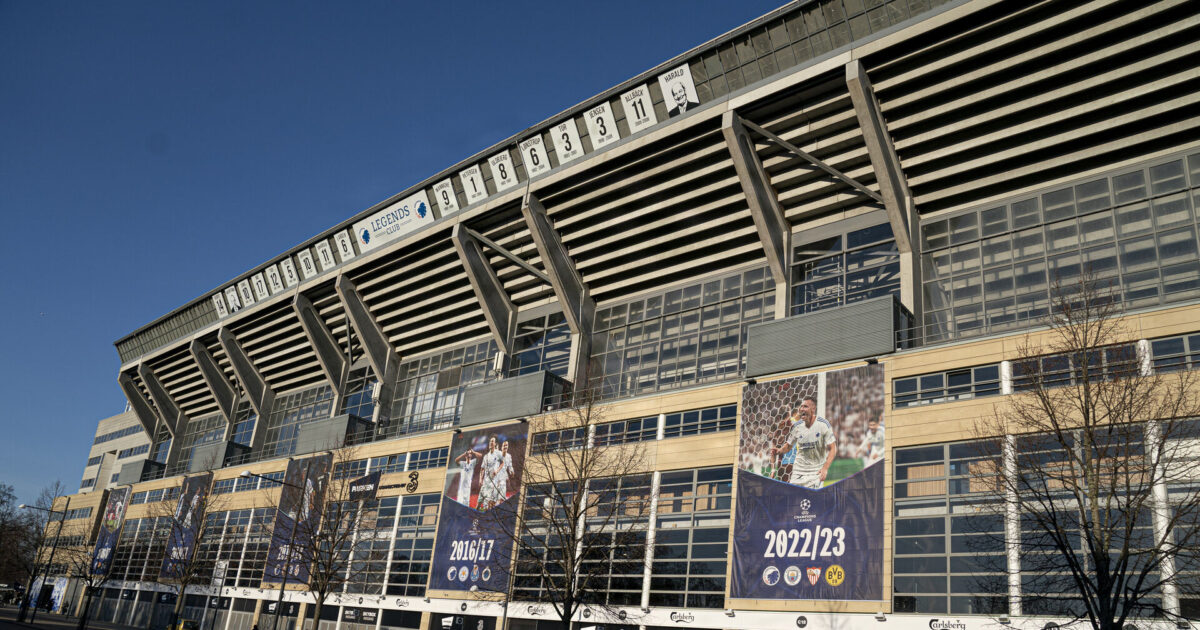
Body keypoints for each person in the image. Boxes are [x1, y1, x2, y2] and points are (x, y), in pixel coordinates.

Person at [770, 396, 837, 489]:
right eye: (801, 406)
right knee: (792, 496)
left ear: (813, 408)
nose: (801, 409)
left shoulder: (823, 424)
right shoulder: (796, 426)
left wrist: (825, 468)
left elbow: (833, 448)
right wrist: (779, 451)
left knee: (812, 498)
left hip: (815, 470)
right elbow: (788, 446)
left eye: (805, 406)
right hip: (797, 470)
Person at [477, 436, 504, 510]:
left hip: (493, 483)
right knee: (478, 504)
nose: (490, 442)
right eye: (490, 441)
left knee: (488, 505)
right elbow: (482, 469)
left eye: (492, 441)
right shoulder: (485, 456)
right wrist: (480, 479)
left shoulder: (498, 453)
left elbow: (503, 463)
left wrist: (497, 471)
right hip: (485, 482)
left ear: (495, 444)